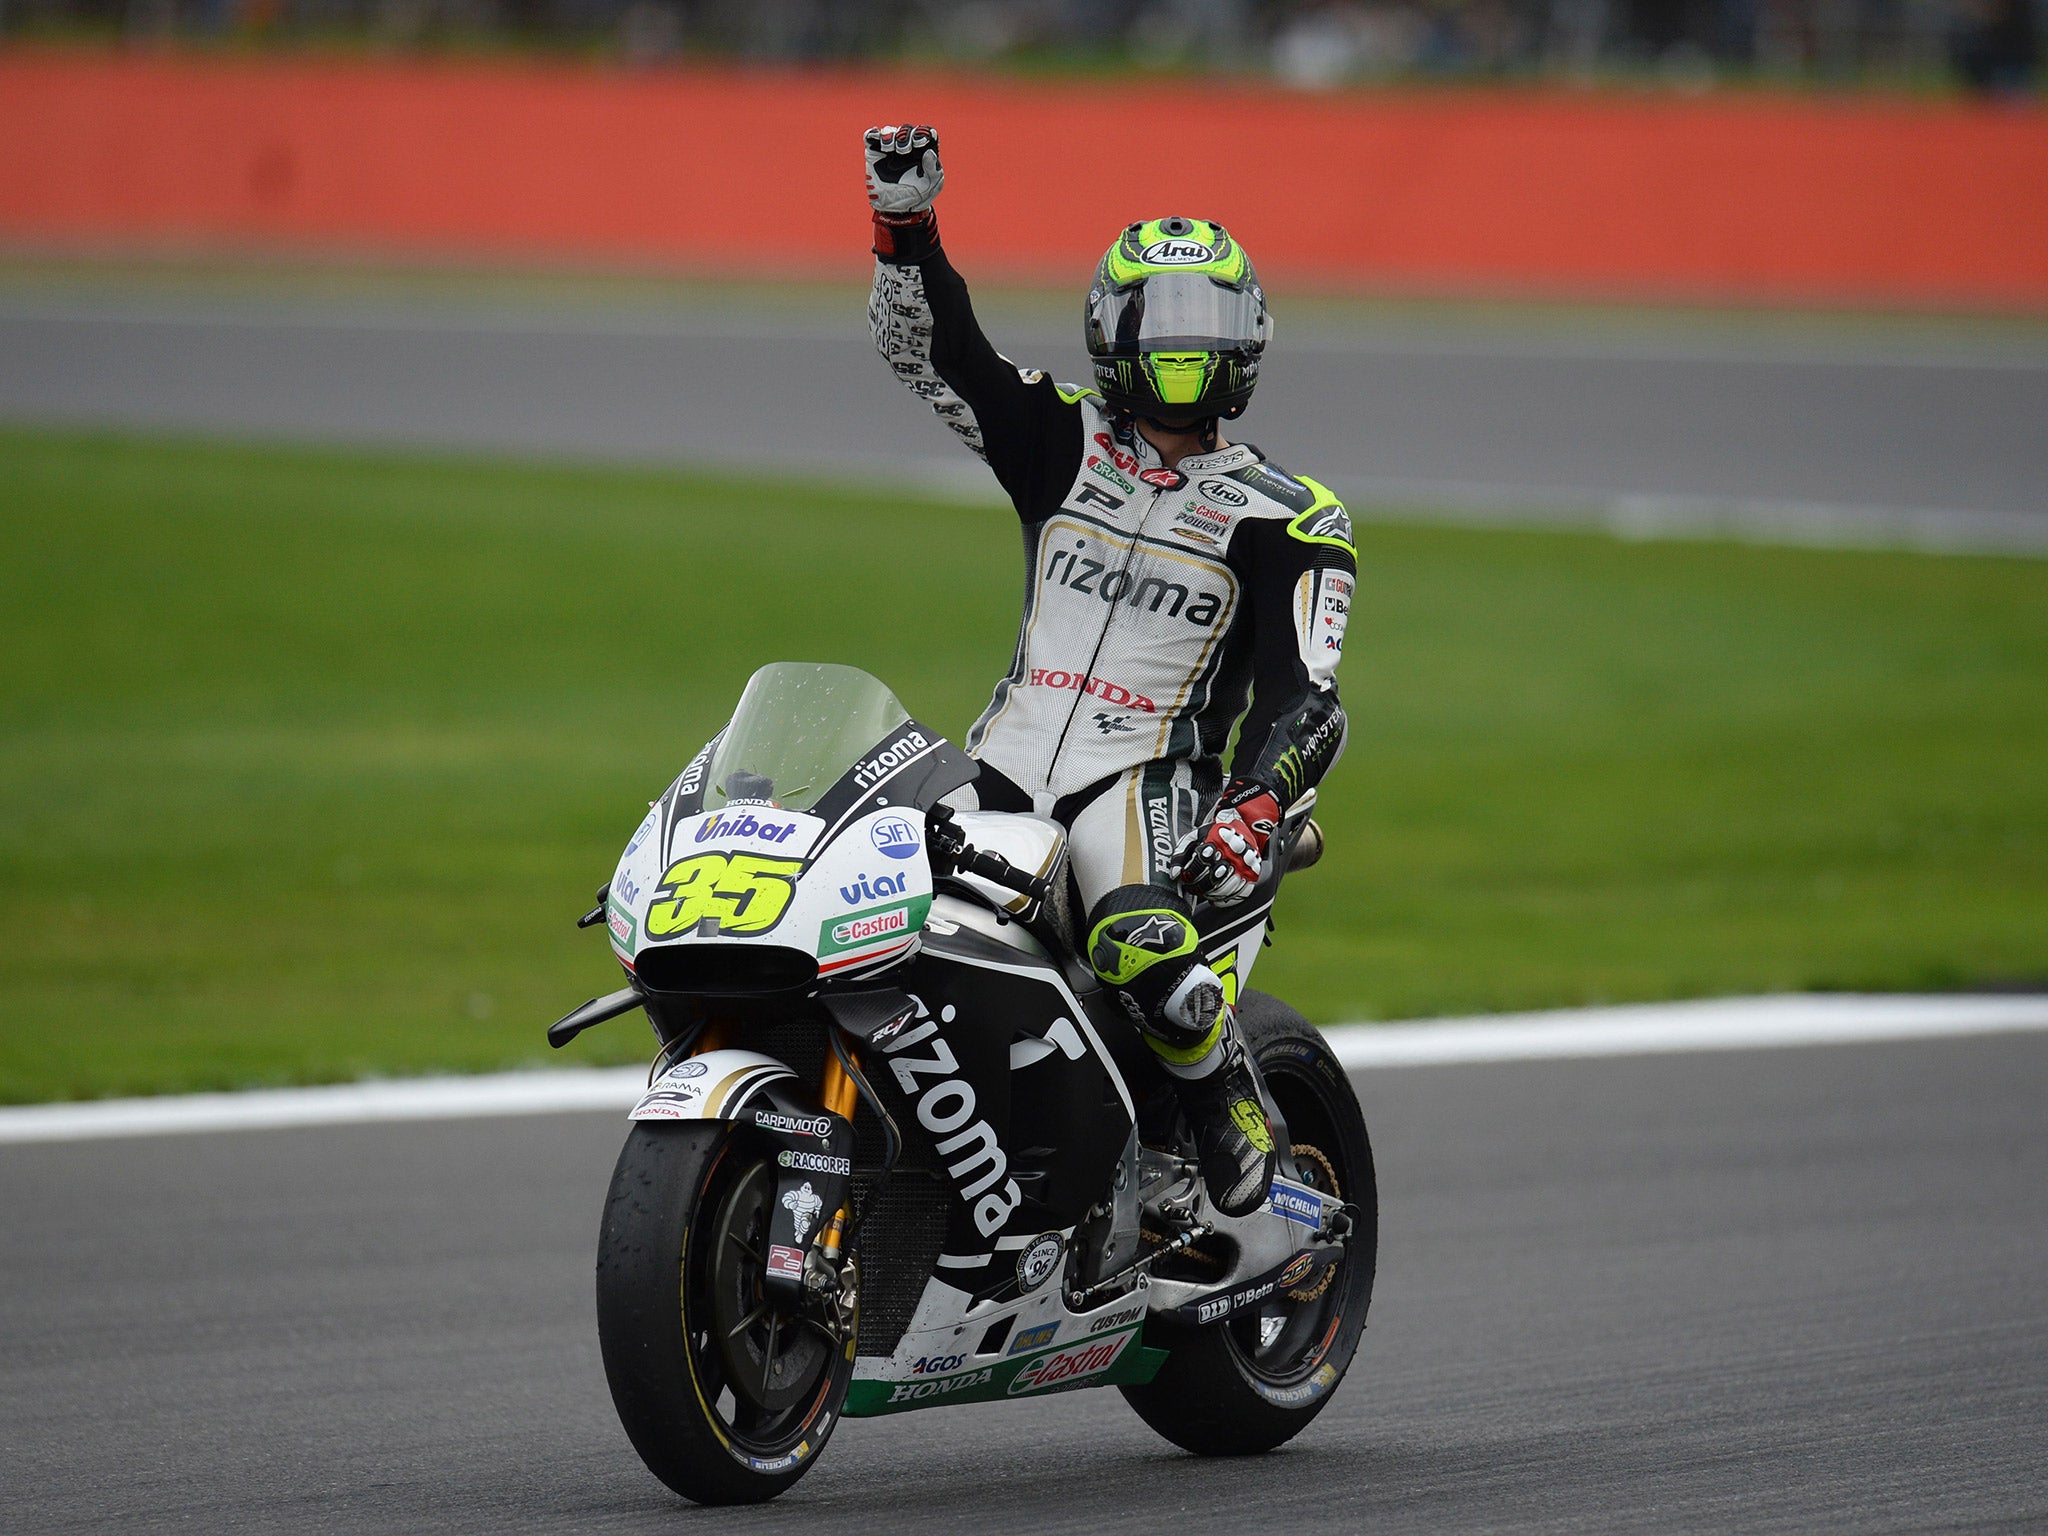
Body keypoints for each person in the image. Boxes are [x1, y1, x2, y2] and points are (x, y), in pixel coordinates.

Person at [864, 123, 1354, 1218]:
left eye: (1205, 327)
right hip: (998, 757)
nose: (1180, 350)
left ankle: (1222, 1093)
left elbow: (1305, 698)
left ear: (1247, 344)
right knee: (858, 904)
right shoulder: (1055, 440)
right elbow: (932, 355)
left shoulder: (1294, 519)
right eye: (1158, 323)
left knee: (1133, 936)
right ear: (1109, 333)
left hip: (1140, 784)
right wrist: (907, 230)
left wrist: (1259, 801)